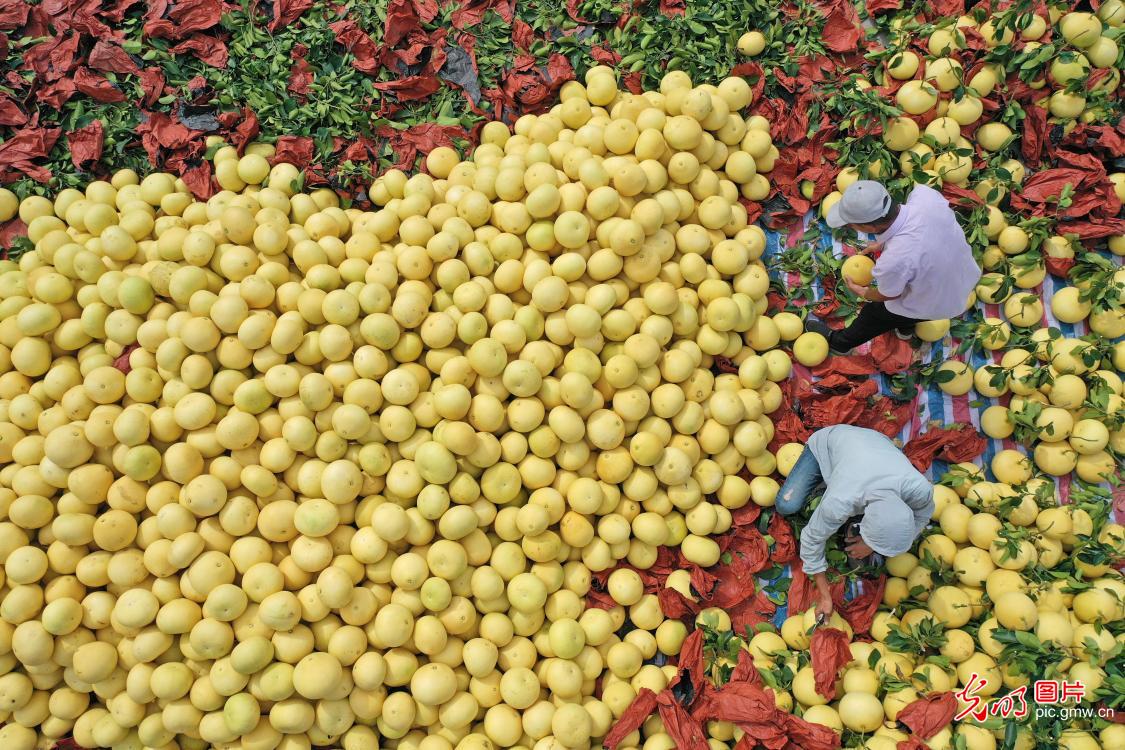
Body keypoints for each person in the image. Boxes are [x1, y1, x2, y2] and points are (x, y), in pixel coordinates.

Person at [776, 424, 934, 620]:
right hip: (830, 442)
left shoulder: (919, 489)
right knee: (786, 505)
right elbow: (811, 539)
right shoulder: (841, 501)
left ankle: (842, 499)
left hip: (876, 444)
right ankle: (824, 481)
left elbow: (922, 515)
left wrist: (870, 543)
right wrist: (825, 596)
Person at [805, 180, 981, 353]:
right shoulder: (924, 196)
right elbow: (922, 233)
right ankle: (906, 325)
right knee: (909, 313)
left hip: (938, 302)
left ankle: (840, 343)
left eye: (851, 224)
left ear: (868, 227)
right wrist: (884, 243)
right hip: (964, 276)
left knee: (874, 315)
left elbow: (888, 295)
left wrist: (862, 291)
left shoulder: (895, 259)